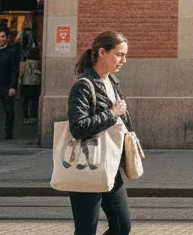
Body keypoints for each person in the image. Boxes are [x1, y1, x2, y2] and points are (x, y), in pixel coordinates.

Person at [67, 31, 133, 235]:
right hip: (87, 164)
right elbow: (78, 127)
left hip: (110, 163)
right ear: (102, 52)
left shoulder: (112, 82)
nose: (124, 60)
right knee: (86, 229)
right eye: (119, 54)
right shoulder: (83, 86)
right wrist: (112, 113)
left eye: (125, 55)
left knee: (122, 226)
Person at [20, 46, 42, 125]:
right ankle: (33, 116)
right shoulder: (38, 62)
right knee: (34, 101)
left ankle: (25, 117)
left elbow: (23, 72)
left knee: (25, 101)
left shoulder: (26, 61)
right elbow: (36, 71)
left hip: (25, 83)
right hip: (35, 83)